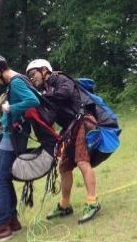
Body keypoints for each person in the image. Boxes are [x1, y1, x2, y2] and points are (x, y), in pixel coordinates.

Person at [26, 59, 105, 224]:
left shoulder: (60, 78)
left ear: (44, 70)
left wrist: (41, 97)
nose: (32, 79)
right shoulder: (47, 93)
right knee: (64, 167)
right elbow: (49, 118)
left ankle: (92, 202)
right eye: (30, 77)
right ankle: (65, 205)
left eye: (33, 74)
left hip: (83, 121)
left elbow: (65, 93)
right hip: (70, 128)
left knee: (82, 161)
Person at [0, 54, 40, 242]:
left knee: (0, 181)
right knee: (4, 180)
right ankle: (11, 221)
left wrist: (10, 108)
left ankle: (3, 225)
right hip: (11, 136)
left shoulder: (15, 82)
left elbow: (33, 102)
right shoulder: (15, 82)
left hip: (13, 137)